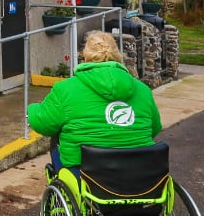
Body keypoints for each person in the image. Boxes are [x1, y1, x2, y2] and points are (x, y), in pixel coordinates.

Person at [28, 30, 162, 172]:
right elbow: (155, 128)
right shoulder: (143, 90)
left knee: (56, 137)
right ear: (117, 56)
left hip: (87, 175)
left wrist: (31, 110)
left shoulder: (66, 89)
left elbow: (43, 123)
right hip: (139, 173)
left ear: (85, 57)